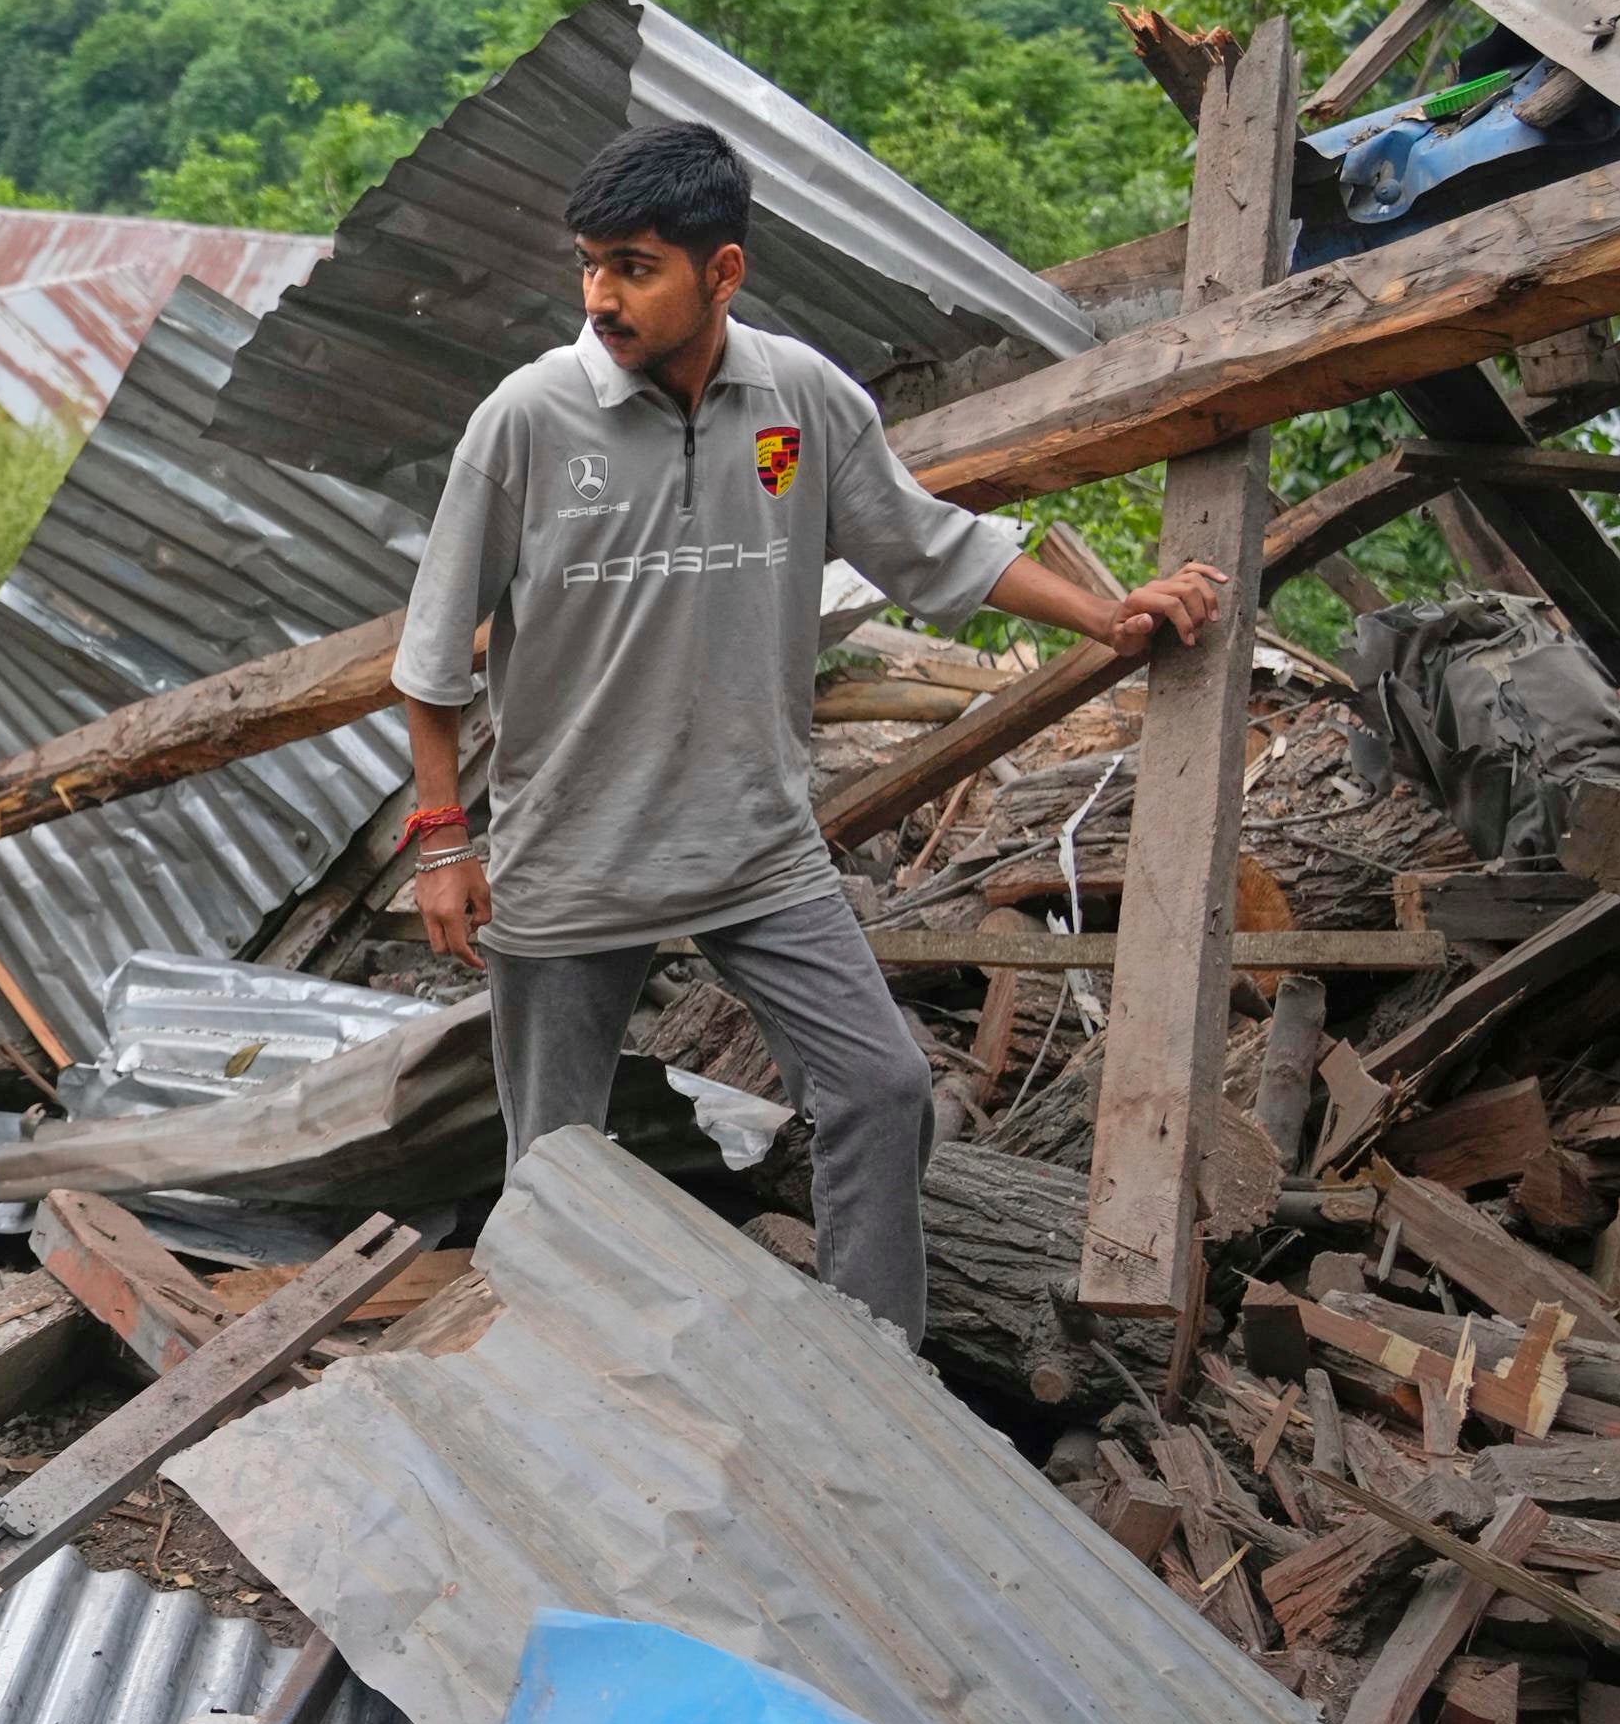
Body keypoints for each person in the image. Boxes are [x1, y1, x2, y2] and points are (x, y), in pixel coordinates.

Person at [392, 120, 1224, 1346]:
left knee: (881, 1089)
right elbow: (427, 656)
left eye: (632, 266)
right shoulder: (526, 420)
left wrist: (1103, 616)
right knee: (553, 1163)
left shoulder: (800, 399)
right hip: (569, 850)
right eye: (589, 265)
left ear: (719, 272)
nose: (599, 296)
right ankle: (550, 1396)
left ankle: (868, 1370)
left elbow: (927, 543)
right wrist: (439, 836)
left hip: (754, 839)